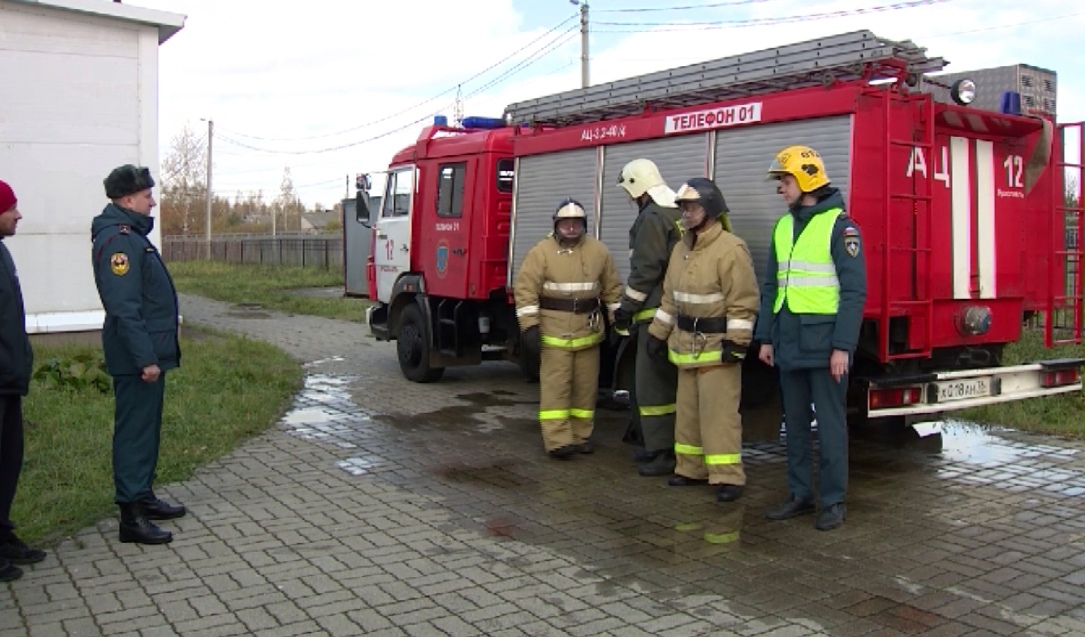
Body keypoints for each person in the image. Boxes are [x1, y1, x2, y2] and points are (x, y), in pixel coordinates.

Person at [756, 145, 867, 531]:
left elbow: (854, 293)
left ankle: (833, 501)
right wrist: (766, 338)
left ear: (806, 181)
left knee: (832, 428)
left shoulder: (841, 227)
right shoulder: (783, 226)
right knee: (796, 425)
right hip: (788, 344)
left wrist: (843, 348)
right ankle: (800, 494)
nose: (780, 189)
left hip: (825, 348)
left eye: (784, 181)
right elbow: (772, 286)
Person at [646, 178, 759, 502]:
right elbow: (670, 298)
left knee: (719, 417)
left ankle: (728, 476)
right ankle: (690, 468)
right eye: (683, 207)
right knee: (689, 414)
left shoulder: (730, 248)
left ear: (710, 209)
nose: (685, 213)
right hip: (685, 346)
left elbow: (743, 302)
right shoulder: (682, 247)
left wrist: (736, 343)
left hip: (716, 347)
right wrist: (657, 334)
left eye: (691, 207)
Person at [91, 165, 185, 545]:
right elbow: (124, 307)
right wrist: (146, 358)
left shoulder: (133, 237)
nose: (153, 202)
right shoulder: (119, 241)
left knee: (145, 430)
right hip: (136, 358)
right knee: (133, 433)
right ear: (128, 199)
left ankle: (142, 495)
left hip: (147, 353)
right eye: (147, 196)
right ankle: (130, 514)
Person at [514, 198, 622, 459]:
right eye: (566, 223)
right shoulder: (541, 252)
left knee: (586, 391)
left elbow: (612, 289)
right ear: (556, 225)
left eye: (576, 223)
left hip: (589, 333)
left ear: (583, 225)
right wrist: (529, 328)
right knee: (556, 389)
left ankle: (580, 436)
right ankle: (557, 440)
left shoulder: (599, 251)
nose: (571, 228)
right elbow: (525, 291)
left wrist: (618, 323)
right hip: (554, 334)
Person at [612, 159, 685, 477]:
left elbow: (646, 270)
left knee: (652, 386)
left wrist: (626, 307)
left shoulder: (652, 217)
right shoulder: (673, 212)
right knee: (660, 384)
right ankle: (659, 446)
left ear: (637, 187)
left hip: (655, 316)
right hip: (672, 312)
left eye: (629, 191)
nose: (629, 198)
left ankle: (661, 451)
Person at [0, 179, 47, 581]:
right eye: (12, 207)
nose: (18, 214)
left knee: (8, 460)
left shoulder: (2, 253)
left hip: (8, 379)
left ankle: (2, 535)